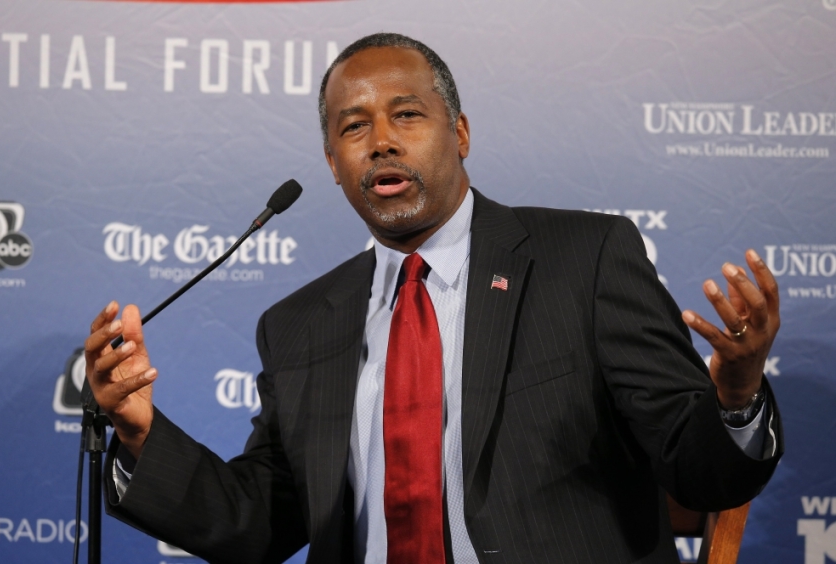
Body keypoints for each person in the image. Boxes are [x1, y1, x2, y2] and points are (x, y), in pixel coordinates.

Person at [85, 33, 783, 564]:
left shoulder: (584, 260)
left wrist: (737, 395)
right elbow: (259, 522)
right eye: (353, 127)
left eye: (407, 115)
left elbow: (702, 473)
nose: (381, 142)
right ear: (333, 165)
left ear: (461, 133)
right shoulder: (298, 325)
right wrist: (141, 435)